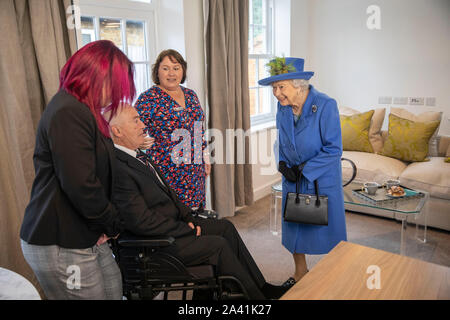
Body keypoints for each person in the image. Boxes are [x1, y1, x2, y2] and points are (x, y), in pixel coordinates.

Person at [108, 104, 288, 300]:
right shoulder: (119, 168)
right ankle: (256, 300)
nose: (143, 125)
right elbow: (141, 222)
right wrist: (187, 230)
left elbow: (170, 195)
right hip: (155, 246)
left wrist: (187, 217)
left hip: (172, 227)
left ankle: (262, 288)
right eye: (135, 120)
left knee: (225, 227)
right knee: (217, 245)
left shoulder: (137, 155)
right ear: (117, 131)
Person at [20, 40, 135, 300]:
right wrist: (112, 223)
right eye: (116, 86)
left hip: (86, 232)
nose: (116, 95)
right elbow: (81, 184)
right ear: (95, 76)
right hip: (60, 239)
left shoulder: (83, 110)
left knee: (114, 291)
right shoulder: (68, 112)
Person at [258, 57, 347, 289]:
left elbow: (334, 149)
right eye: (274, 88)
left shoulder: (326, 105)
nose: (277, 93)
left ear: (298, 85)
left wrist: (306, 169)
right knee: (295, 228)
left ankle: (338, 276)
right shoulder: (283, 106)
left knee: (329, 230)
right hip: (292, 178)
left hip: (320, 178)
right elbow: (281, 139)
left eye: (281, 87)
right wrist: (282, 163)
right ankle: (300, 273)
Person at [134, 49, 210, 210]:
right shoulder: (148, 98)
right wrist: (138, 142)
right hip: (167, 170)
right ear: (157, 71)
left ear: (183, 71)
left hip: (195, 168)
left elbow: (198, 128)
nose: (171, 73)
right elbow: (132, 128)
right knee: (175, 216)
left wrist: (205, 156)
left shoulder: (191, 95)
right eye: (165, 68)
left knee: (196, 215)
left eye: (176, 68)